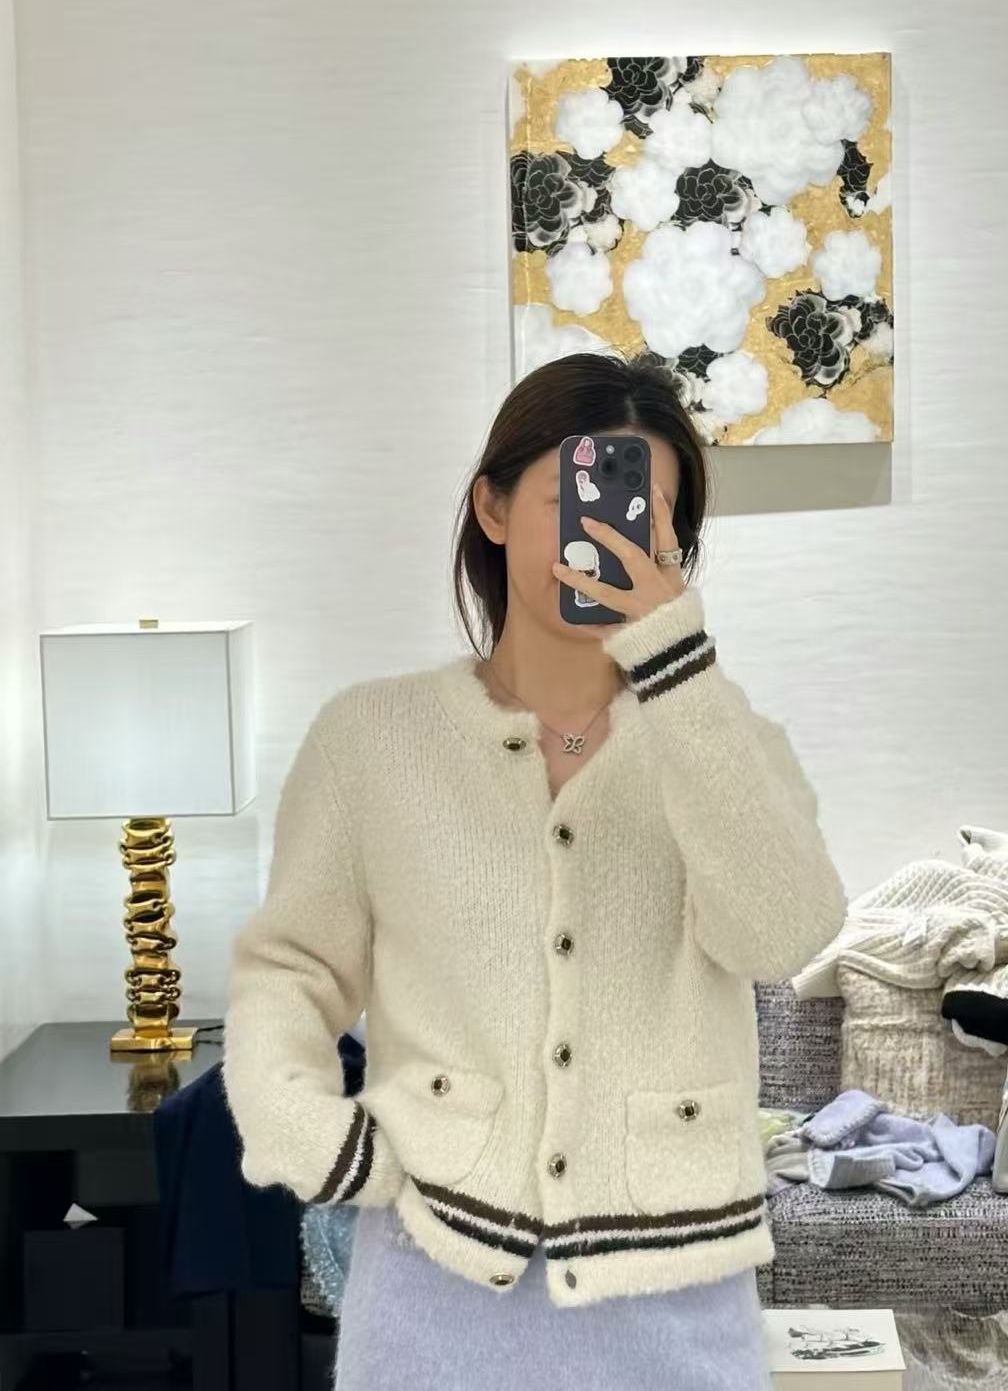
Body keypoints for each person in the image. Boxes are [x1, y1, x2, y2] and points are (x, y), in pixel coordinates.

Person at [222, 350, 848, 1389]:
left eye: (643, 513)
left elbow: (781, 935)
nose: (606, 535)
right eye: (573, 500)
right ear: (493, 507)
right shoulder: (370, 739)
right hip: (431, 1284)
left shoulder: (725, 744)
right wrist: (303, 1128)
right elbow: (290, 968)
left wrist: (676, 666)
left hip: (677, 1302)